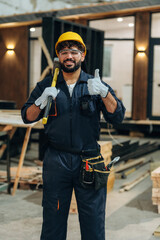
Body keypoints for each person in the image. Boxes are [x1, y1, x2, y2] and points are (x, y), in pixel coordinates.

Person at [21, 31, 125, 240]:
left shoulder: (94, 84)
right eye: (64, 52)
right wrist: (40, 101)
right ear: (58, 56)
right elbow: (27, 116)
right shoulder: (46, 85)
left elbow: (118, 117)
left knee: (93, 220)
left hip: (89, 159)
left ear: (82, 56)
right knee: (53, 218)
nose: (69, 56)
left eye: (74, 52)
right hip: (56, 159)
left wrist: (105, 94)